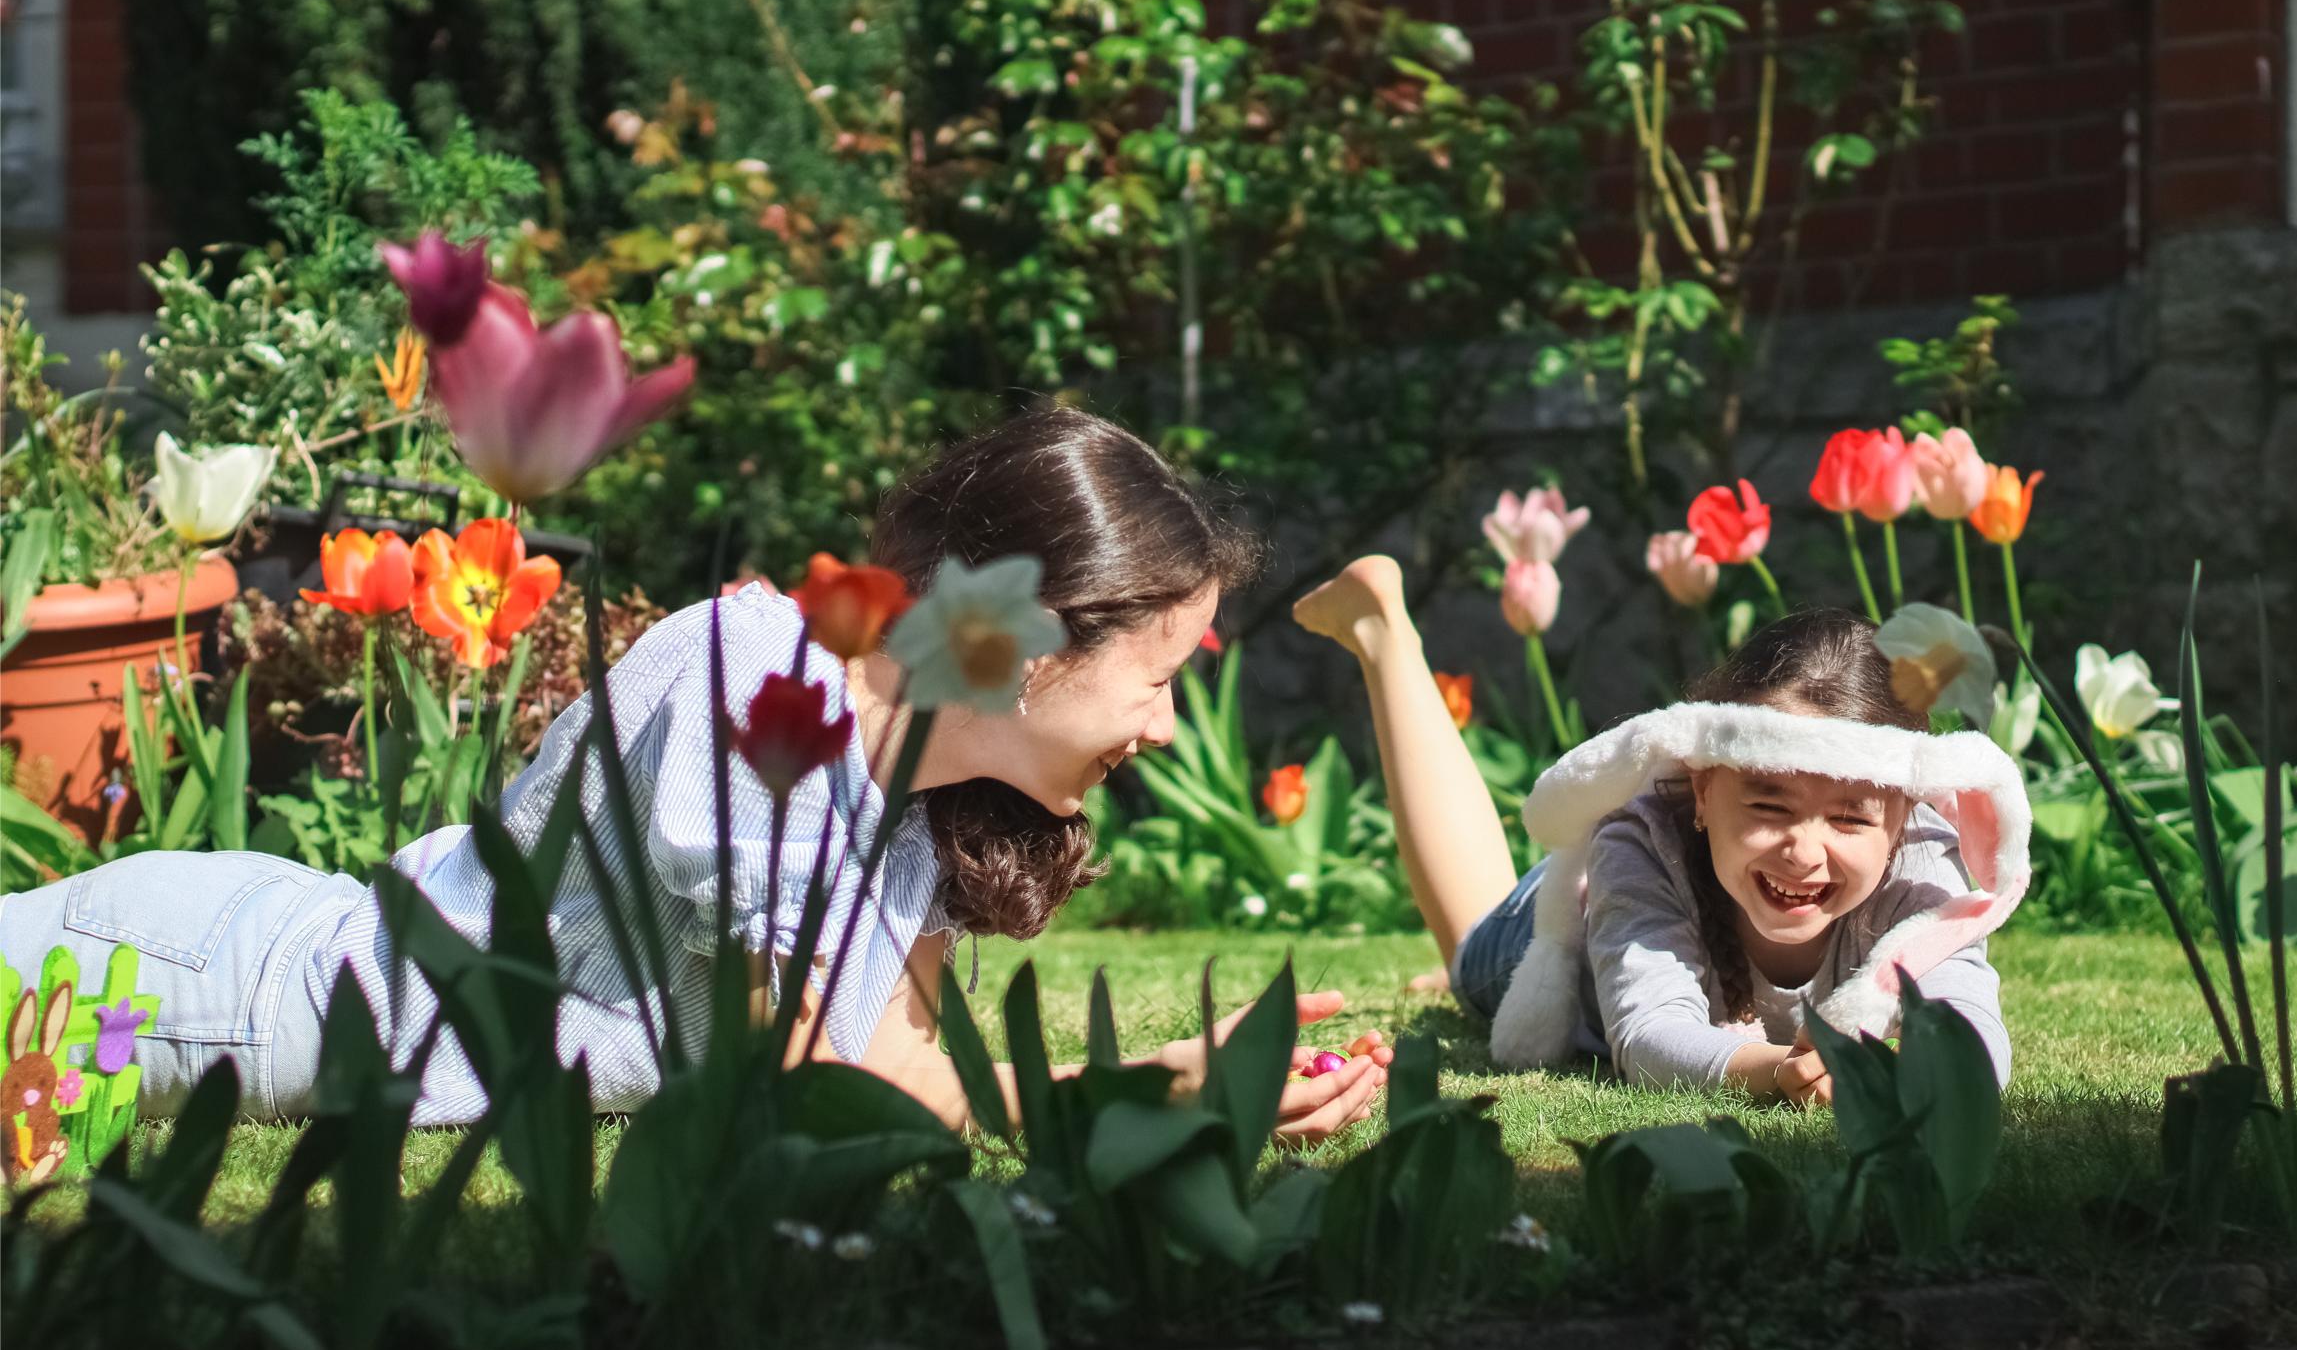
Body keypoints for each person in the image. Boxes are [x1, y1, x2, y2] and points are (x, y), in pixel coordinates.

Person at [0, 409, 1391, 1136]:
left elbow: (905, 1087)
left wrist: (1165, 1082)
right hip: (220, 996)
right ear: (1033, 639)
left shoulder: (920, 805)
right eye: (1154, 678)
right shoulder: (754, 685)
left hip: (272, 944)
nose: (1158, 729)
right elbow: (790, 1098)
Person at [1291, 557, 2022, 1105]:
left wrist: (1928, 1075)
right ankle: (1382, 631)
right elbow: (1646, 1038)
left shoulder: (1926, 867)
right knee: (1470, 952)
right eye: (1767, 805)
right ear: (1703, 787)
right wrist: (1785, 1070)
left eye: (1847, 816)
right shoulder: (1642, 842)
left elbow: (1970, 1025)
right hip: (1571, 915)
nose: (1803, 850)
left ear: (1902, 814)